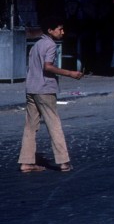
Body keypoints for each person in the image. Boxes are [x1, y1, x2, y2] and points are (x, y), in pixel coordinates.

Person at [18, 17, 83, 173]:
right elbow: (48, 67)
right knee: (54, 125)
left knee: (30, 126)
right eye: (59, 29)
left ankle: (26, 162)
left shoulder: (37, 45)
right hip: (45, 89)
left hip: (31, 89)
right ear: (50, 30)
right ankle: (63, 162)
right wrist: (70, 73)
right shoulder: (50, 45)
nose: (62, 32)